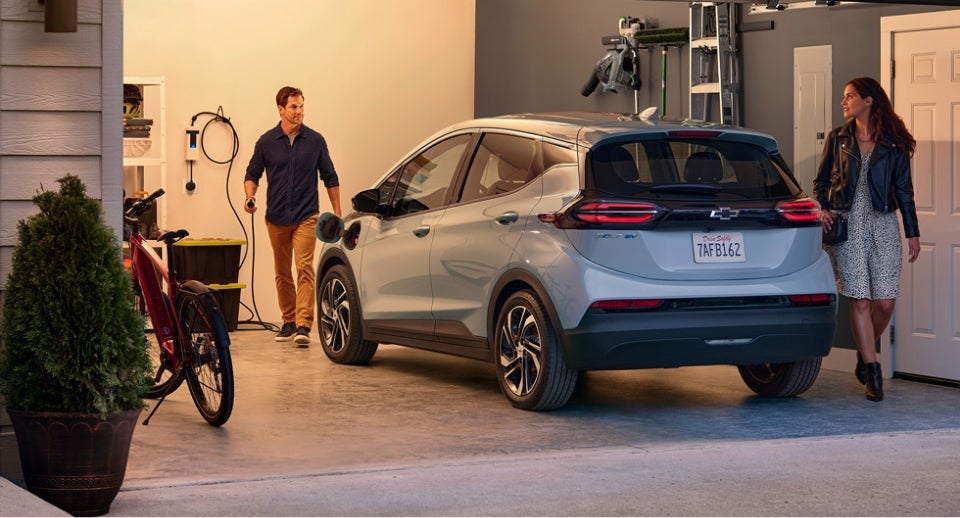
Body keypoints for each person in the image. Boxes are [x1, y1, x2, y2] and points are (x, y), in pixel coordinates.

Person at [814, 77, 920, 402]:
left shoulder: (893, 142)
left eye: (849, 96)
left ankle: (863, 353)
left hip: (884, 224)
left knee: (885, 302)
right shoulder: (838, 138)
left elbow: (904, 190)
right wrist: (821, 209)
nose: (844, 102)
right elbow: (820, 181)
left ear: (869, 100)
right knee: (860, 300)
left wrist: (912, 232)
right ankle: (873, 374)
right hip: (848, 225)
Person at [244, 86, 342, 346]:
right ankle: (287, 321)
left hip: (306, 215)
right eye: (293, 107)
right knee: (282, 272)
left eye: (301, 106)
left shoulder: (316, 141)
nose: (299, 112)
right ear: (280, 109)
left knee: (304, 268)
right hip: (275, 216)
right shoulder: (266, 142)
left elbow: (330, 177)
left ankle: (303, 325)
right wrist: (249, 197)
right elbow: (252, 174)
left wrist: (338, 213)